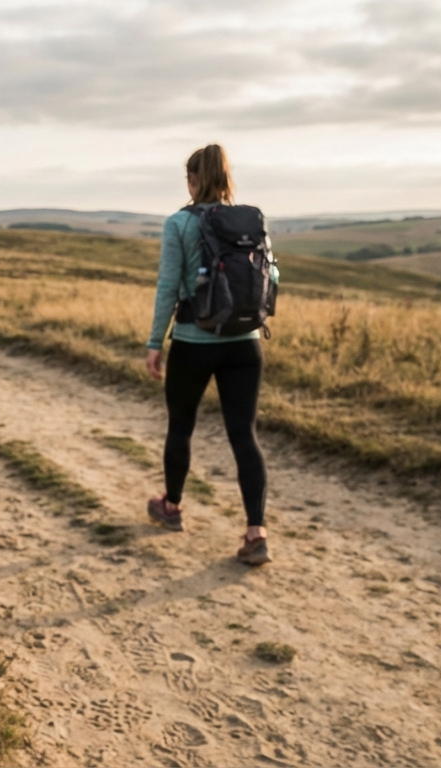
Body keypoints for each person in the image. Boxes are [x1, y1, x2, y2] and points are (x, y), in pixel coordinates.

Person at [144, 144, 271, 566]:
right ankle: (256, 532)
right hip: (246, 343)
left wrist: (154, 342)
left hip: (193, 342)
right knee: (243, 435)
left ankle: (173, 507)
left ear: (193, 181)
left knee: (181, 426)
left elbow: (167, 286)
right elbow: (270, 274)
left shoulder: (178, 223)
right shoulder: (250, 221)